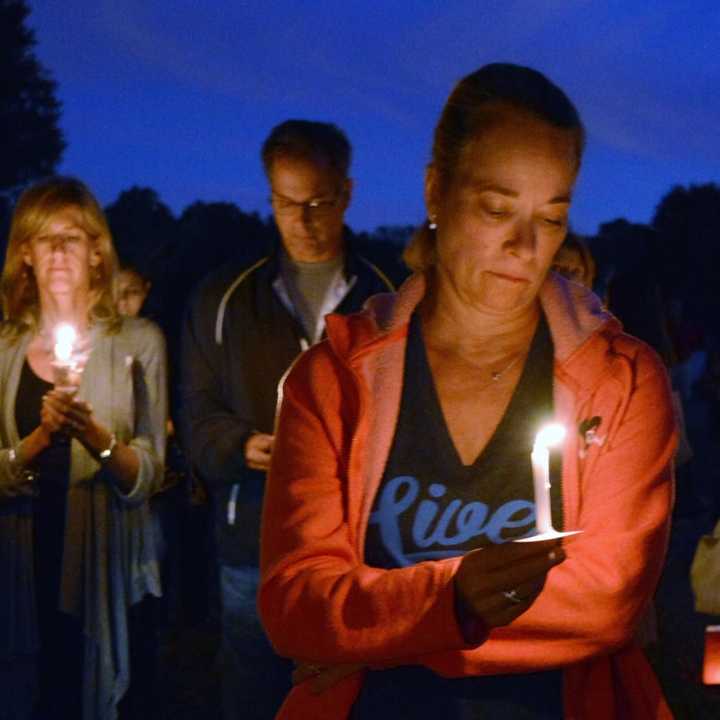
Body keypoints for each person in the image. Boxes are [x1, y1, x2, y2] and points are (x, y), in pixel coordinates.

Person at [258, 64, 677, 719]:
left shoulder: (621, 381)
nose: (524, 246)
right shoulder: (334, 381)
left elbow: (607, 602)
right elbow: (297, 602)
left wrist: (384, 631)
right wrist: (453, 599)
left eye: (551, 216)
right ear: (436, 192)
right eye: (496, 208)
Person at [180, 119, 395, 719]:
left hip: (359, 544)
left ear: (347, 193)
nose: (301, 220)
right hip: (254, 540)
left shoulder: (386, 297)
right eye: (284, 202)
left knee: (351, 697)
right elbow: (196, 413)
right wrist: (244, 446)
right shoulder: (225, 298)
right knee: (254, 692)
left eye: (318, 203)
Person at [0, 177, 167, 720]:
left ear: (98, 250)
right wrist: (40, 440)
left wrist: (95, 439)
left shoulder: (138, 343)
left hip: (105, 560)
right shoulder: (5, 348)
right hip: (21, 556)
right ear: (24, 253)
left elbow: (148, 474)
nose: (57, 252)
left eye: (71, 237)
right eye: (43, 239)